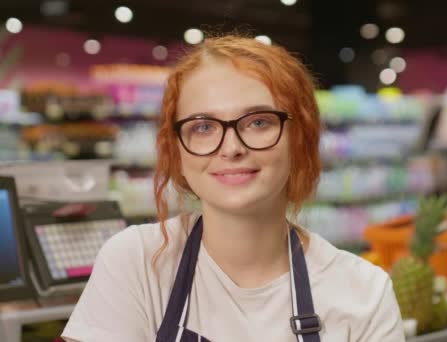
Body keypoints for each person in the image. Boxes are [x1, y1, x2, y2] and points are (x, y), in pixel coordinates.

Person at [61, 35, 405, 342]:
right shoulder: (137, 262)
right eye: (204, 126)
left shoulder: (364, 295)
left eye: (258, 122)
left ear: (300, 137)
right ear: (177, 149)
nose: (231, 148)